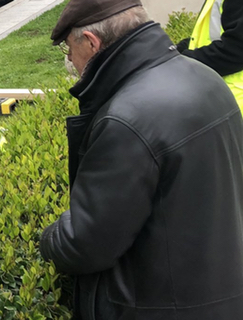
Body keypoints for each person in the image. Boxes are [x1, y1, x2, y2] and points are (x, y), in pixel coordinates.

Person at [41, 0, 243, 318]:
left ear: (91, 43)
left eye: (69, 50)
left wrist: (51, 233)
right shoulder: (205, 78)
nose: (70, 61)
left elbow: (85, 244)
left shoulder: (126, 119)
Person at [176, 0, 243, 108]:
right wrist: (180, 48)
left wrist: (185, 60)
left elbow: (236, 49)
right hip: (222, 97)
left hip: (232, 101)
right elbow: (209, 36)